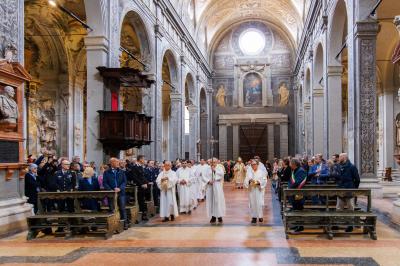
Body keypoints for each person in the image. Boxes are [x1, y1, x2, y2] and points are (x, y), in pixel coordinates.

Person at [336, 153, 360, 233]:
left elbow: (357, 179)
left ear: (344, 158)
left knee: (350, 208)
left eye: (340, 157)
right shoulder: (339, 166)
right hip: (340, 190)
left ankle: (350, 225)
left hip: (349, 190)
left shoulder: (352, 167)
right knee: (339, 208)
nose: (338, 158)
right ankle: (338, 224)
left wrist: (354, 189)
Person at [102, 157, 128, 230]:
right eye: (116, 162)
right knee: (112, 208)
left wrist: (120, 188)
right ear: (111, 163)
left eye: (118, 162)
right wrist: (111, 190)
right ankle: (113, 224)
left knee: (122, 208)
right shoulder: (106, 172)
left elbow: (124, 182)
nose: (118, 163)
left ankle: (125, 223)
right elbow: (105, 183)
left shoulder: (121, 171)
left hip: (121, 193)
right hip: (111, 193)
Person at [203, 158, 226, 224]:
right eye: (211, 162)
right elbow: (204, 176)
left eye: (214, 162)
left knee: (217, 201)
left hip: (217, 186)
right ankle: (213, 216)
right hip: (210, 187)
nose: (212, 163)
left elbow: (221, 174)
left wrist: (214, 170)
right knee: (211, 201)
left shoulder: (219, 167)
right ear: (209, 162)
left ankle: (219, 216)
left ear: (216, 162)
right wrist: (208, 181)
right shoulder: (207, 169)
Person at [127, 155, 149, 221]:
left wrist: (146, 183)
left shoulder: (140, 166)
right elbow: (135, 177)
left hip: (143, 186)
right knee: (141, 200)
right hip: (139, 186)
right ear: (140, 159)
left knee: (143, 200)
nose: (144, 160)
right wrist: (142, 184)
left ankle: (144, 214)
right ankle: (142, 215)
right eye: (143, 159)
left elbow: (143, 176)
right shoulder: (134, 167)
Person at [288, 158, 307, 232]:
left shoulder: (301, 171)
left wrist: (290, 187)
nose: (289, 165)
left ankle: (300, 226)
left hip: (299, 194)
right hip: (294, 193)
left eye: (290, 163)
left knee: (299, 210)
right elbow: (291, 181)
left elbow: (298, 182)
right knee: (295, 210)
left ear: (294, 164)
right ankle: (297, 224)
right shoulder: (295, 170)